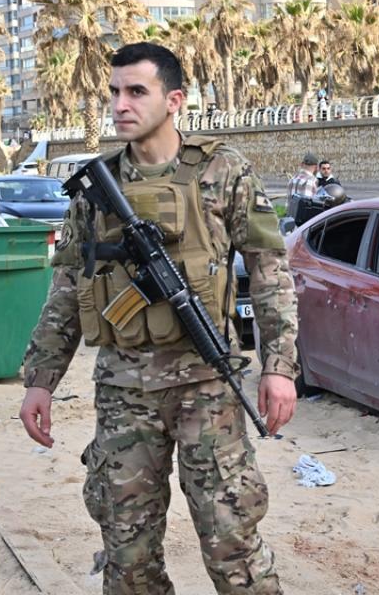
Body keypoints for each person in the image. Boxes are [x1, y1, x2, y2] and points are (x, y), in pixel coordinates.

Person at [18, 42, 298, 594]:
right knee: (128, 554)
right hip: (124, 391)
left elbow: (270, 272)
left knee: (232, 544)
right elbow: (68, 289)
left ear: (174, 100)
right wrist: (40, 380)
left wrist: (279, 367)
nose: (120, 104)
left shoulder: (222, 171)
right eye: (114, 92)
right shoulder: (96, 187)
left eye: (136, 92)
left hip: (207, 388)